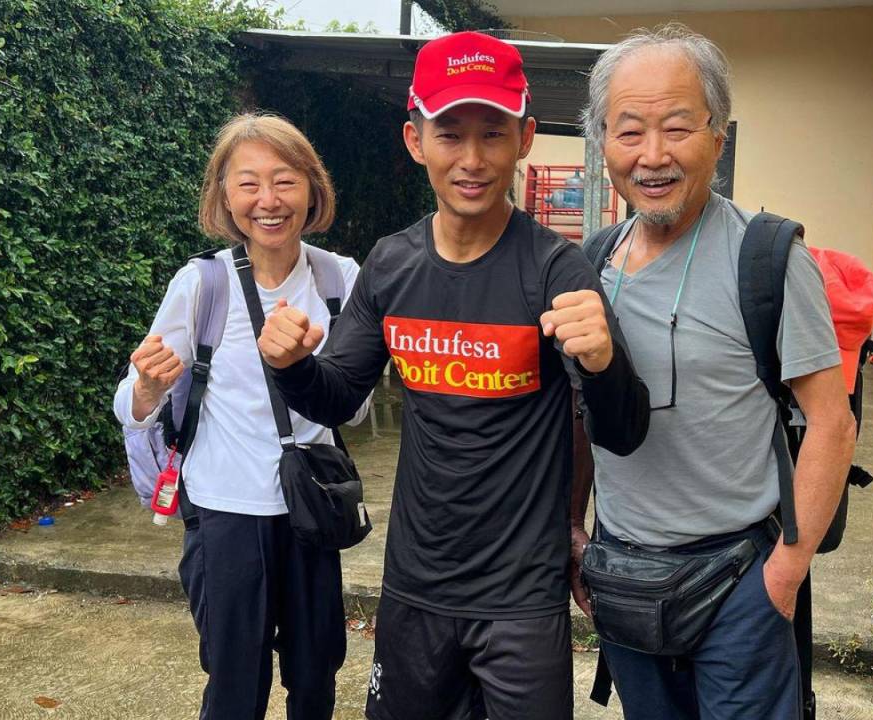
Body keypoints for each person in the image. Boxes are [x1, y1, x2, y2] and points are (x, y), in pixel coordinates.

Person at [257, 31, 650, 720]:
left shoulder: (557, 271)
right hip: (416, 585)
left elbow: (622, 431)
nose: (472, 160)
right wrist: (290, 368)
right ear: (415, 140)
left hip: (522, 598)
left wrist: (604, 362)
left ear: (525, 138)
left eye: (492, 134)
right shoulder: (391, 264)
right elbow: (340, 392)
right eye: (450, 134)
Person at [570, 24, 857, 720]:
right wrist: (572, 533)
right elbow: (582, 412)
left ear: (718, 139)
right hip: (625, 574)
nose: (653, 155)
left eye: (677, 127)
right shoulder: (590, 264)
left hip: (739, 580)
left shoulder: (768, 259)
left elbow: (831, 422)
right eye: (629, 131)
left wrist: (783, 575)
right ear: (603, 143)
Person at [114, 113, 368, 720]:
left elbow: (353, 411)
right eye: (248, 183)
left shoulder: (341, 279)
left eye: (284, 181)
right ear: (224, 195)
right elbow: (133, 405)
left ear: (312, 187)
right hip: (225, 514)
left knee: (315, 677)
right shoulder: (201, 284)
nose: (268, 201)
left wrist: (306, 369)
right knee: (233, 682)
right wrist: (148, 386)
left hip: (311, 509)